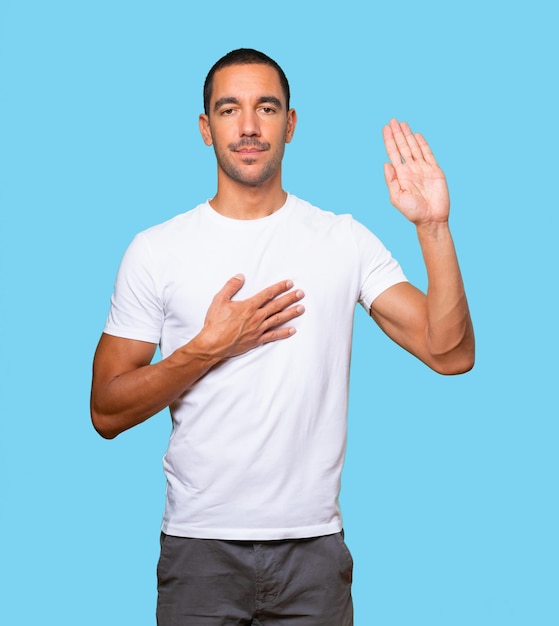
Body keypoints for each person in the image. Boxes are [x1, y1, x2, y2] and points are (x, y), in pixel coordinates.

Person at [90, 48, 474, 625]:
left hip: (313, 555)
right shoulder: (156, 250)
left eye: (266, 108)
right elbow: (105, 410)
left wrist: (434, 227)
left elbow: (451, 353)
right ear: (205, 128)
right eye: (229, 109)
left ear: (290, 124)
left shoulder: (343, 240)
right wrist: (207, 348)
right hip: (199, 551)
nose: (248, 126)